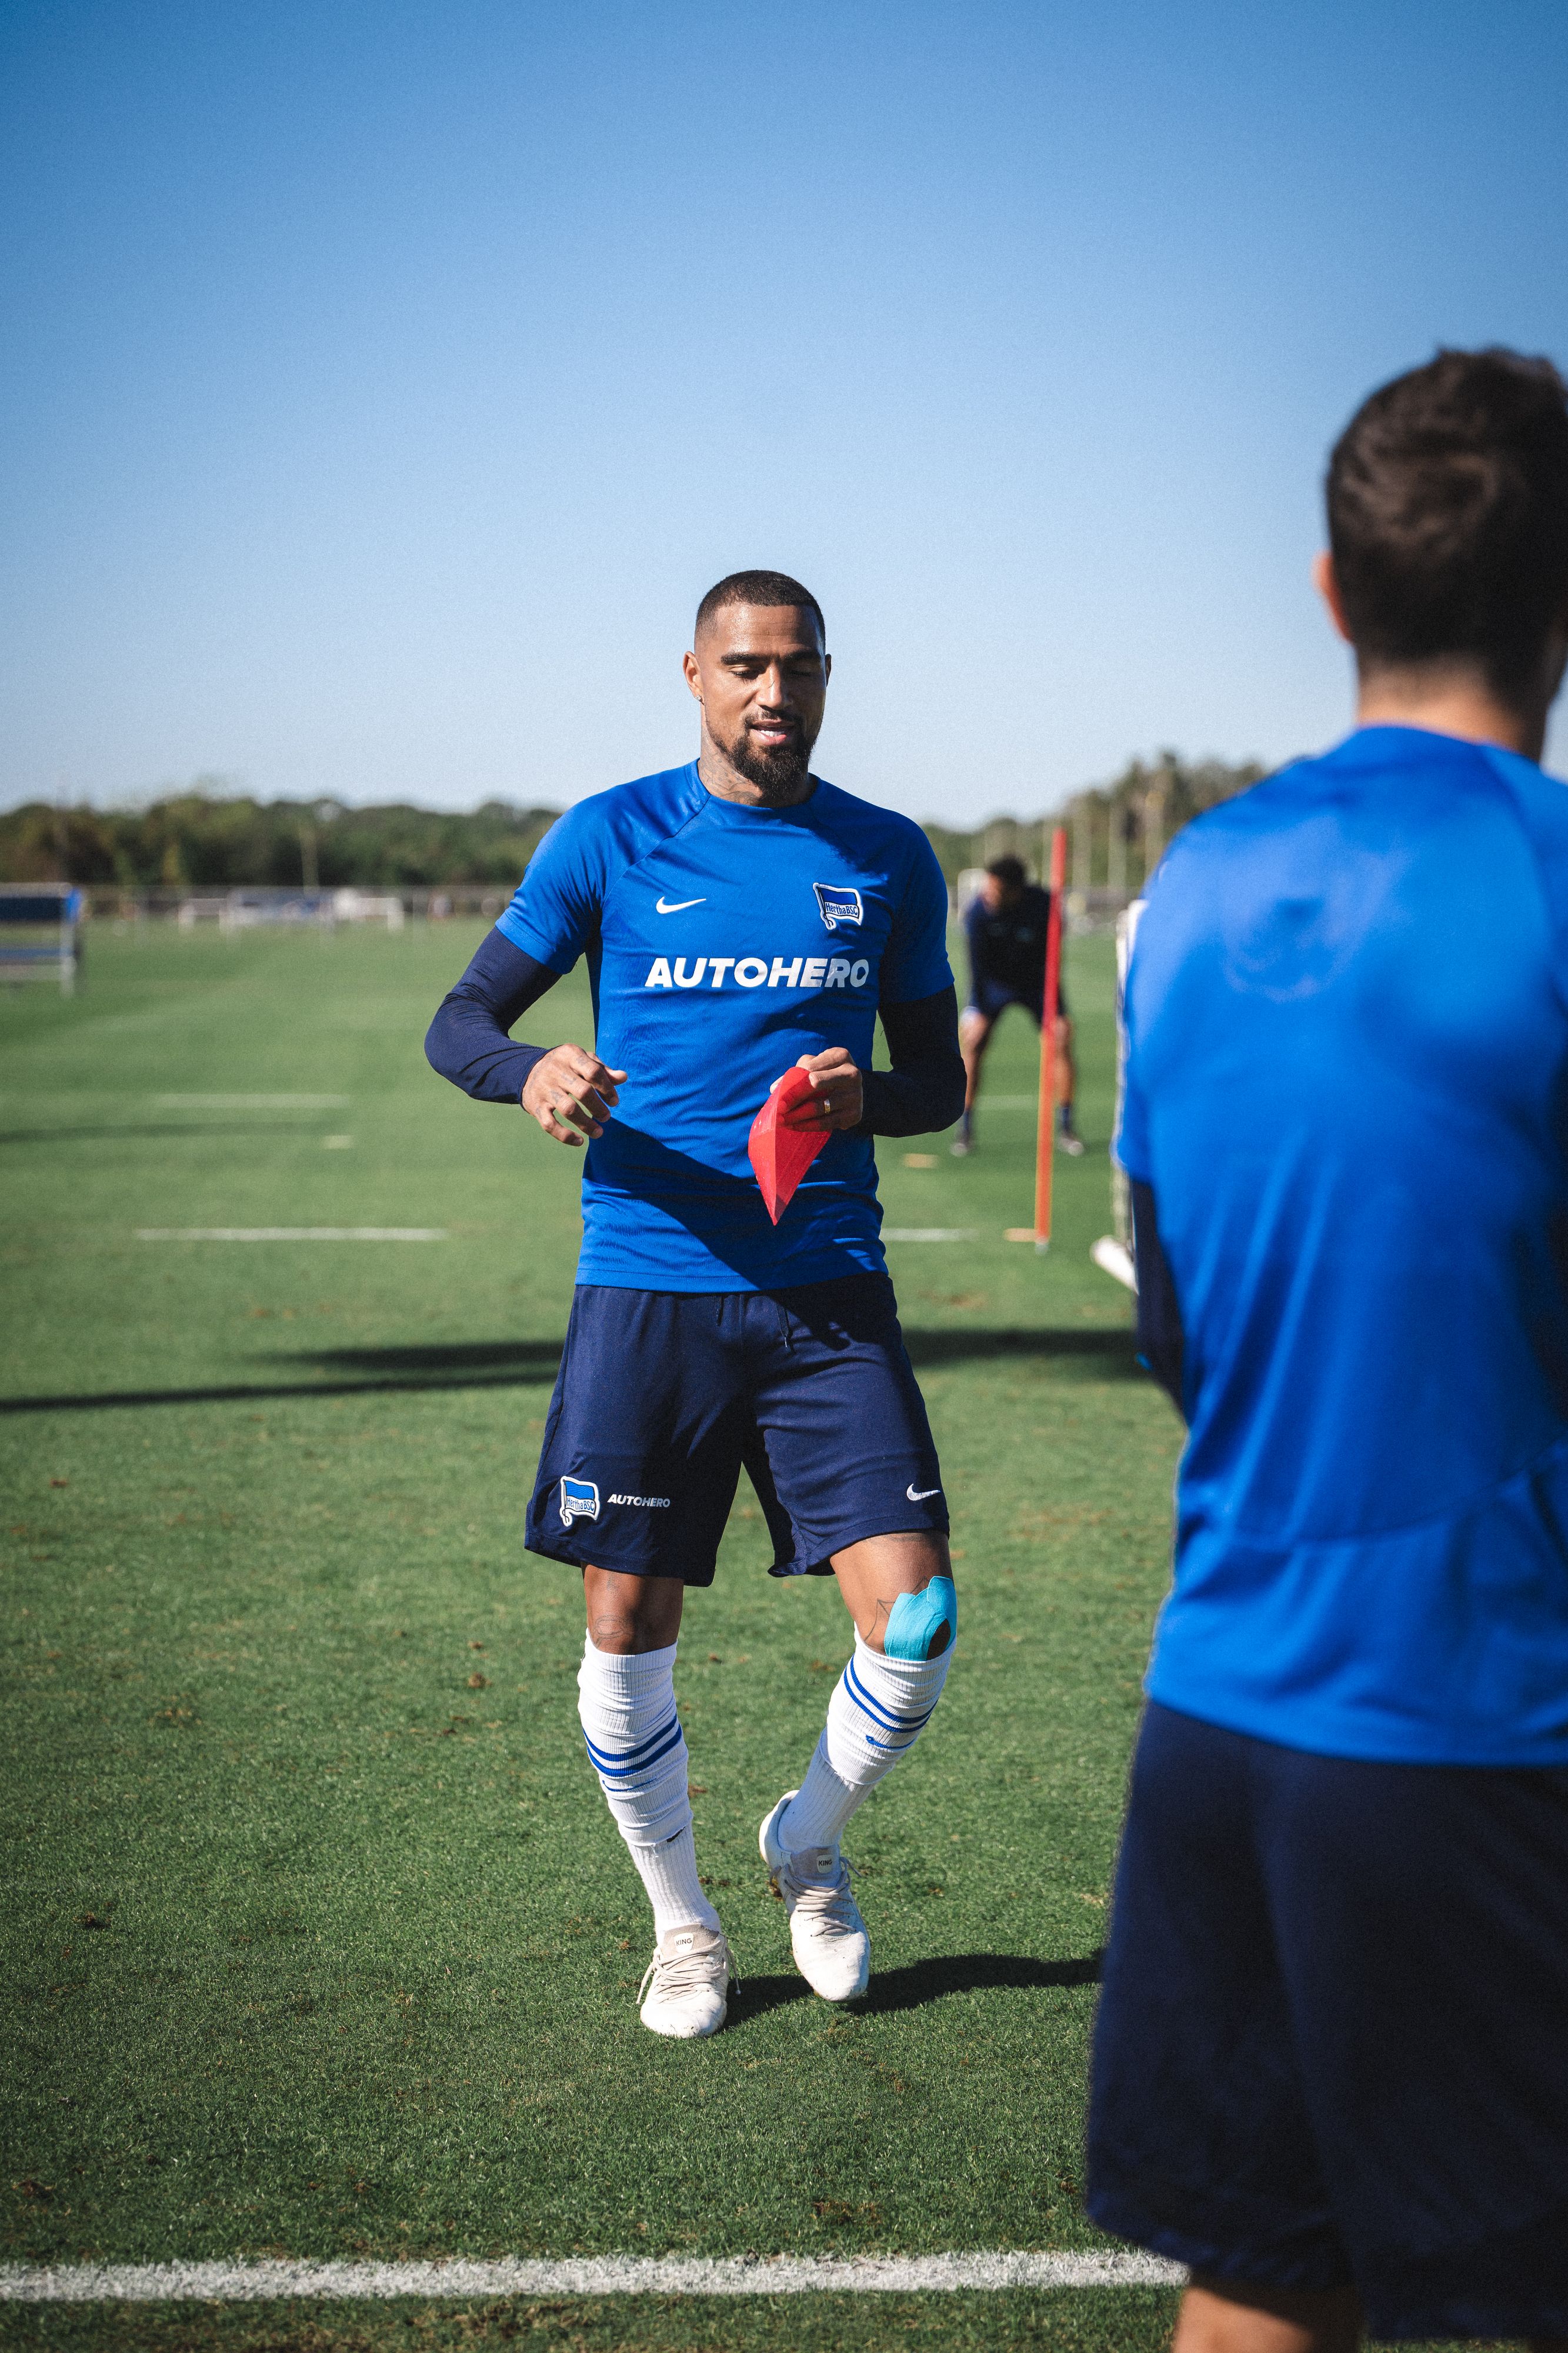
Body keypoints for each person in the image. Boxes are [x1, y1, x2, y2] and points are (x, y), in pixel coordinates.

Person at [1086, 346, 1568, 2352]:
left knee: (1259, 2288)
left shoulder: (1194, 888)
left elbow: (1176, 1325)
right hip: (1487, 1721)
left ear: (1330, 588)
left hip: (1222, 1719)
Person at [425, 571, 965, 2041]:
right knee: (623, 1618)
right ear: (692, 676)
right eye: (744, 666)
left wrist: (869, 1097)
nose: (771, 692)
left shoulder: (886, 854)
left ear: (825, 676)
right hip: (648, 1285)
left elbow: (937, 1081)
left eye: (797, 666)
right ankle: (682, 1925)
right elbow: (460, 1022)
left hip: (825, 1292)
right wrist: (529, 1069)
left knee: (916, 1618)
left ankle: (805, 1840)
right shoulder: (610, 835)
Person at [952, 854, 1082, 1155]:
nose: (989, 894)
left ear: (1015, 891)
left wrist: (1055, 1005)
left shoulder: (1044, 905)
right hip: (993, 986)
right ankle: (965, 1129)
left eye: (996, 890)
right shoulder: (978, 913)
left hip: (1038, 985)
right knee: (973, 1043)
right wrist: (978, 1011)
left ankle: (1067, 1128)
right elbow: (976, 967)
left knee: (1062, 1039)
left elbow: (1054, 958)